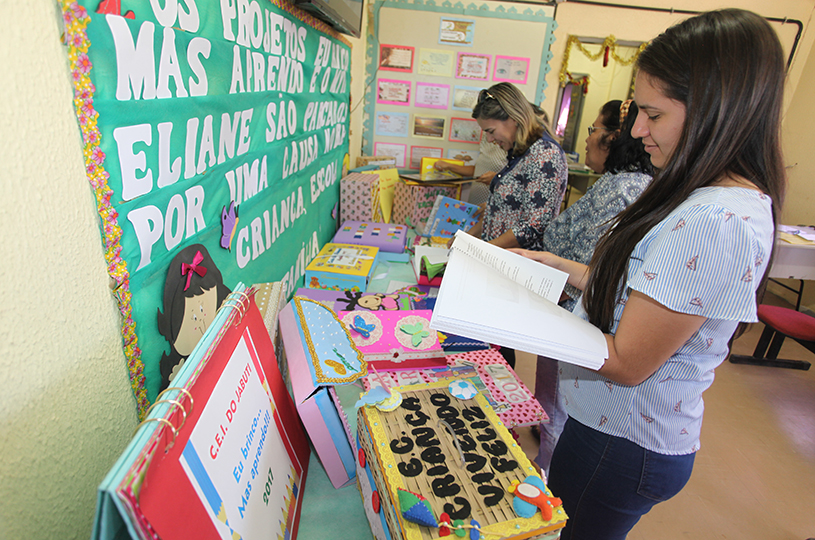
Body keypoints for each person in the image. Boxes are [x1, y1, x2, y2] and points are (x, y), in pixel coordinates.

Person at [514, 9, 785, 539]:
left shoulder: (715, 220)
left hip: (620, 443)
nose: (636, 131)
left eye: (654, 116)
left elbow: (625, 361)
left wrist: (517, 318)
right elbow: (645, 290)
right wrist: (558, 268)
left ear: (716, 111)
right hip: (606, 428)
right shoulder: (701, 196)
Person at [534, 98, 654, 476]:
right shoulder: (625, 184)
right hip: (568, 310)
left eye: (593, 130)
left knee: (557, 410)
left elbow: (591, 268)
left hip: (573, 316)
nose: (587, 139)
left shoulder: (621, 189)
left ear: (613, 138)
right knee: (555, 409)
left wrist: (549, 262)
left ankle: (547, 488)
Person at [466, 82, 568, 251]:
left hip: (518, 261)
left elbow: (534, 226)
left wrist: (482, 250)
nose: (490, 140)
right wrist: (468, 239)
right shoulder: (521, 154)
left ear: (513, 118)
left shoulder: (544, 154)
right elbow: (500, 211)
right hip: (498, 255)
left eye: (491, 131)